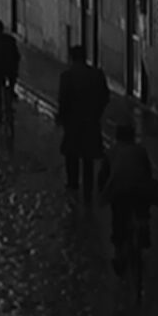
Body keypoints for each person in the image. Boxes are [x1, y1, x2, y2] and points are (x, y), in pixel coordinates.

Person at [98, 122, 158, 276]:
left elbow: (103, 176)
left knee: (118, 219)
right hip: (140, 189)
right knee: (142, 203)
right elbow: (147, 172)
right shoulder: (140, 150)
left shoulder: (112, 152)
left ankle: (119, 255)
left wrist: (102, 193)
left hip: (120, 190)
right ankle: (143, 224)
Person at [56, 45, 109, 205]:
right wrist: (96, 114)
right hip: (91, 122)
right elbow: (104, 97)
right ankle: (88, 190)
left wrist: (61, 117)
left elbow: (63, 100)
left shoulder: (67, 76)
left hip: (73, 124)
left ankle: (73, 186)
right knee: (88, 159)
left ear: (72, 58)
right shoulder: (97, 74)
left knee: (71, 156)